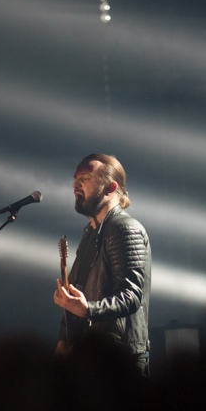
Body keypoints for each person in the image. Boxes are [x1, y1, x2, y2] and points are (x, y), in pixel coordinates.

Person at [53, 154, 151, 376]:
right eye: (75, 178)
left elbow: (131, 296)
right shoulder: (91, 233)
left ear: (110, 187)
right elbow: (75, 299)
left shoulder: (124, 228)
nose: (75, 184)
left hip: (120, 362)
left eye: (85, 178)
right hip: (93, 359)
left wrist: (88, 309)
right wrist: (63, 340)